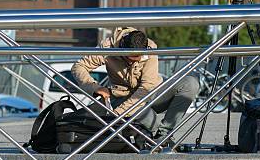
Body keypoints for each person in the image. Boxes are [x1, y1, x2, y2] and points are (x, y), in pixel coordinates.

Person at [71, 27, 200, 146]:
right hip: (123, 96)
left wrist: (117, 114)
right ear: (122, 48)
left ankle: (164, 136)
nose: (134, 62)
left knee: (190, 83)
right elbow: (78, 66)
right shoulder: (108, 47)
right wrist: (94, 87)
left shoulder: (151, 48)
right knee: (150, 119)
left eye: (138, 59)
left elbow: (146, 88)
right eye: (130, 59)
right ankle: (149, 135)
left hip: (151, 93)